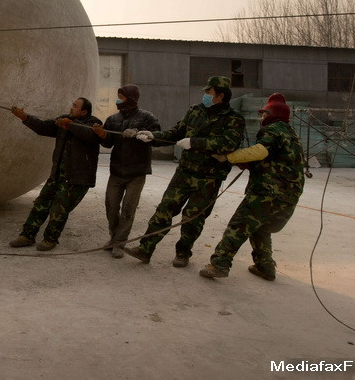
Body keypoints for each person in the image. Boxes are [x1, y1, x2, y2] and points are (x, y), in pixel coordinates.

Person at [127, 76, 245, 267]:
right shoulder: (195, 111)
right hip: (185, 172)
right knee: (164, 210)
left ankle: (183, 253)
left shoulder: (233, 119)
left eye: (209, 92)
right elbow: (175, 133)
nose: (205, 95)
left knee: (193, 219)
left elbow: (228, 144)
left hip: (209, 178)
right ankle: (145, 248)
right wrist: (153, 137)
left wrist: (195, 142)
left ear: (220, 96)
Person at [199, 93, 305, 281]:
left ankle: (219, 264)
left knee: (239, 225)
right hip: (289, 195)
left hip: (268, 192)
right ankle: (265, 266)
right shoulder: (290, 133)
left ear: (272, 114)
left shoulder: (273, 129)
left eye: (264, 113)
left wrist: (229, 157)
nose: (261, 117)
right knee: (260, 228)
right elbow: (270, 157)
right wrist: (248, 163)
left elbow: (260, 151)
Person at [8, 98, 102, 251]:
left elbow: (88, 135)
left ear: (84, 112)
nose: (72, 108)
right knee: (40, 204)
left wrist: (69, 125)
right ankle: (27, 235)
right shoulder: (64, 120)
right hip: (57, 174)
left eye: (75, 106)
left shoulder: (94, 123)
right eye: (72, 105)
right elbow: (43, 127)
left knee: (59, 210)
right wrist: (24, 117)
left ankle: (50, 239)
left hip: (76, 178)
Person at [92, 84, 160, 259]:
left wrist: (139, 133)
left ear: (131, 99)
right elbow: (108, 143)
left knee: (128, 209)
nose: (118, 100)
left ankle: (119, 243)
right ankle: (114, 237)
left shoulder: (147, 117)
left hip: (137, 172)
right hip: (116, 171)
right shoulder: (113, 119)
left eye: (121, 97)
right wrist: (101, 135)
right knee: (111, 206)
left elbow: (157, 137)